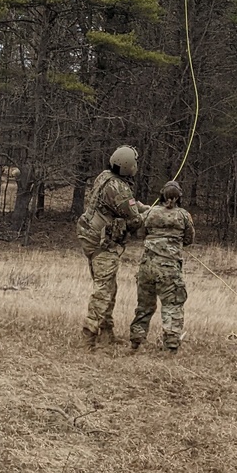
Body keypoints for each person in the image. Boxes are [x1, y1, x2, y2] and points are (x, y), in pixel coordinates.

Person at [75, 144, 144, 347]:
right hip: (103, 244)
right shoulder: (120, 188)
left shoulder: (105, 176)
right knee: (104, 290)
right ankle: (88, 337)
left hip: (89, 237)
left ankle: (106, 333)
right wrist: (148, 215)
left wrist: (140, 207)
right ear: (129, 167)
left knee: (109, 287)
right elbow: (135, 220)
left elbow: (125, 204)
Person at [129, 179, 195, 355]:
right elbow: (189, 239)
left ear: (162, 195)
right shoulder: (184, 216)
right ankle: (171, 346)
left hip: (147, 267)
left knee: (144, 306)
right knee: (172, 305)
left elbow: (140, 233)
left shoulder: (150, 214)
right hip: (169, 269)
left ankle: (136, 341)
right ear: (179, 197)